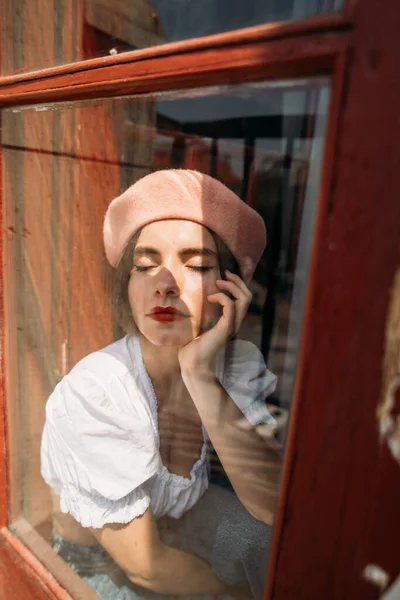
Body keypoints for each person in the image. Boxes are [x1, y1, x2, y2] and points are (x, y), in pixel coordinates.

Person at [41, 169, 283, 600]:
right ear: (127, 288)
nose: (165, 284)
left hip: (181, 526)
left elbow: (270, 504)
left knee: (267, 544)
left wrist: (200, 375)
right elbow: (146, 567)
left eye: (196, 265)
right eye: (146, 265)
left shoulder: (233, 367)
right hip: (97, 568)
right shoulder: (98, 391)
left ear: (230, 288)